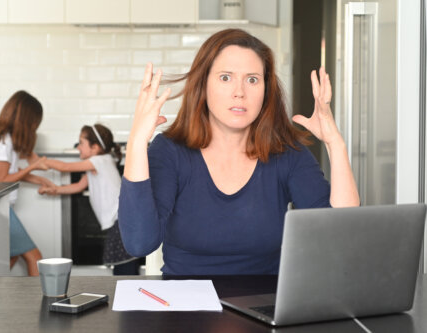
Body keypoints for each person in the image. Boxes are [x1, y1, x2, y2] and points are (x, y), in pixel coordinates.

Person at [118, 28, 360, 276]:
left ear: (266, 91)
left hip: (265, 306)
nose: (239, 92)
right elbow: (139, 243)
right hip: (185, 306)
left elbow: (339, 236)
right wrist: (137, 140)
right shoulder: (170, 152)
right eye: (225, 78)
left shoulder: (287, 153)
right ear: (203, 85)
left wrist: (335, 143)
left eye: (252, 79)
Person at [38, 123, 139, 275]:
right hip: (121, 221)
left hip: (121, 222)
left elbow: (65, 167)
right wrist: (54, 190)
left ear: (95, 147)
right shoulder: (101, 162)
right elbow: (78, 186)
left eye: (81, 143)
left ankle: (128, 295)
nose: (78, 147)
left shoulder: (99, 161)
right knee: (124, 267)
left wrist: (42, 162)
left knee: (125, 269)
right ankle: (126, 294)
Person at [0, 90, 52, 276]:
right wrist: (33, 167)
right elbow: (1, 180)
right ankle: (41, 304)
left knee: (11, 257)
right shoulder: (3, 144)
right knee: (35, 257)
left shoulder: (5, 140)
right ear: (27, 120)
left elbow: (8, 173)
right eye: (35, 122)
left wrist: (37, 179)